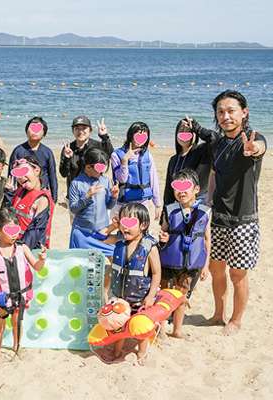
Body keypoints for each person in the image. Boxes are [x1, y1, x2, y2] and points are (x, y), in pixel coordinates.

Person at [201, 90, 266, 336]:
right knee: (217, 270)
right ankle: (218, 314)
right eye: (220, 112)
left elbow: (259, 147)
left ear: (244, 112)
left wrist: (254, 149)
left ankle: (236, 320)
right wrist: (210, 195)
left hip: (243, 221)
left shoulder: (253, 137)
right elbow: (215, 173)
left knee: (237, 274)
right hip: (219, 218)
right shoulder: (219, 142)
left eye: (231, 111)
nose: (225, 116)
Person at [0, 207, 47, 364]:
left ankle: (17, 347)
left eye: (16, 229)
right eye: (9, 230)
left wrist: (42, 259)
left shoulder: (23, 248)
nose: (15, 233)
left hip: (19, 295)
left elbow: (37, 267)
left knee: (17, 323)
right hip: (0, 298)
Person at [95, 203, 161, 364]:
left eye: (130, 223)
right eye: (123, 222)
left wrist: (151, 295)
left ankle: (142, 351)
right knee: (119, 326)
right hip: (120, 297)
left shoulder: (149, 247)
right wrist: (114, 225)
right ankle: (117, 351)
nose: (125, 227)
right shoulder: (119, 240)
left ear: (143, 225)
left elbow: (157, 273)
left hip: (140, 297)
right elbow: (99, 236)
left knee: (140, 327)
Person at [159, 169, 211, 339]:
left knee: (181, 297)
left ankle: (177, 331)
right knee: (165, 296)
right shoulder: (170, 210)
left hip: (191, 263)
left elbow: (206, 240)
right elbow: (163, 233)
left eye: (185, 186)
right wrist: (163, 237)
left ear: (196, 189)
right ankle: (161, 331)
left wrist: (206, 265)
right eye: (177, 187)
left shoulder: (205, 212)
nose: (181, 191)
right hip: (168, 261)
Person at [69, 148, 119, 300]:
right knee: (81, 268)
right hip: (81, 232)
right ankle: (81, 294)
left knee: (115, 261)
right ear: (88, 167)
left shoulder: (105, 181)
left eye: (104, 166)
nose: (101, 171)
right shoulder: (76, 183)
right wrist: (87, 195)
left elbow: (108, 206)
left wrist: (114, 197)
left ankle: (104, 289)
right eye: (98, 167)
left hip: (102, 233)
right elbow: (73, 208)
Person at [111, 122, 161, 221]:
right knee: (124, 233)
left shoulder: (147, 155)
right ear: (131, 135)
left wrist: (157, 204)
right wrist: (125, 160)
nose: (140, 139)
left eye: (144, 136)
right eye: (138, 135)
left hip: (142, 202)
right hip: (123, 203)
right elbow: (122, 179)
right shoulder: (116, 155)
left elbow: (153, 180)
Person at [163, 117, 218, 206]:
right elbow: (168, 192)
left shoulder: (203, 151)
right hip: (180, 205)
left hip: (200, 203)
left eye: (189, 131)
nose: (184, 134)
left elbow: (215, 139)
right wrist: (165, 213)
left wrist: (199, 129)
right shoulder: (174, 160)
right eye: (181, 131)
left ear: (195, 135)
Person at [5, 155, 54, 249]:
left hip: (28, 249)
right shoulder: (19, 191)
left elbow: (35, 232)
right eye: (18, 175)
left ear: (37, 171)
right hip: (12, 246)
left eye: (24, 172)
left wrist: (20, 250)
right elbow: (5, 216)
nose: (21, 177)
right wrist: (9, 195)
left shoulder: (42, 200)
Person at [60, 116, 114, 196]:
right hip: (75, 193)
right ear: (73, 131)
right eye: (77, 128)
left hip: (95, 192)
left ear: (90, 130)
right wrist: (67, 159)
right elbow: (63, 174)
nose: (81, 131)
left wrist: (104, 137)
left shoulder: (97, 145)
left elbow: (111, 155)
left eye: (84, 128)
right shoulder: (68, 148)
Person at [8, 117, 58, 203]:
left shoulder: (47, 152)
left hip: (42, 193)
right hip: (23, 193)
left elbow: (52, 176)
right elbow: (11, 176)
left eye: (39, 129)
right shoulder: (18, 151)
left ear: (43, 134)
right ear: (26, 131)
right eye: (31, 128)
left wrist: (54, 198)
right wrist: (11, 194)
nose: (35, 132)